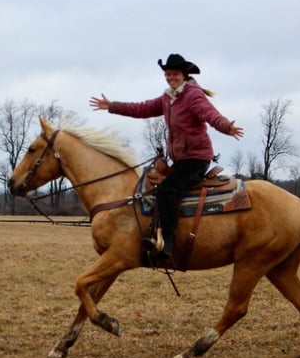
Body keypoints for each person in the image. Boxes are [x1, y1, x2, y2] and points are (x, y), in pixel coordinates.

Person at [89, 53, 244, 260]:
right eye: (168, 74)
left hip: (196, 159)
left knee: (168, 190)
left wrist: (227, 126)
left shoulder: (193, 95)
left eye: (175, 74)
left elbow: (210, 114)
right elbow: (142, 108)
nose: (171, 78)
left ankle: (167, 243)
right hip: (180, 160)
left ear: (184, 75)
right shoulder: (168, 98)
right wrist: (112, 106)